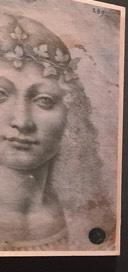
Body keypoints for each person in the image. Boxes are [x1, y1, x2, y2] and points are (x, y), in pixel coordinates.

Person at [0, 13, 111, 251]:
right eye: (1, 95)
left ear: (71, 113)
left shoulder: (91, 220)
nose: (22, 121)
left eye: (44, 100)